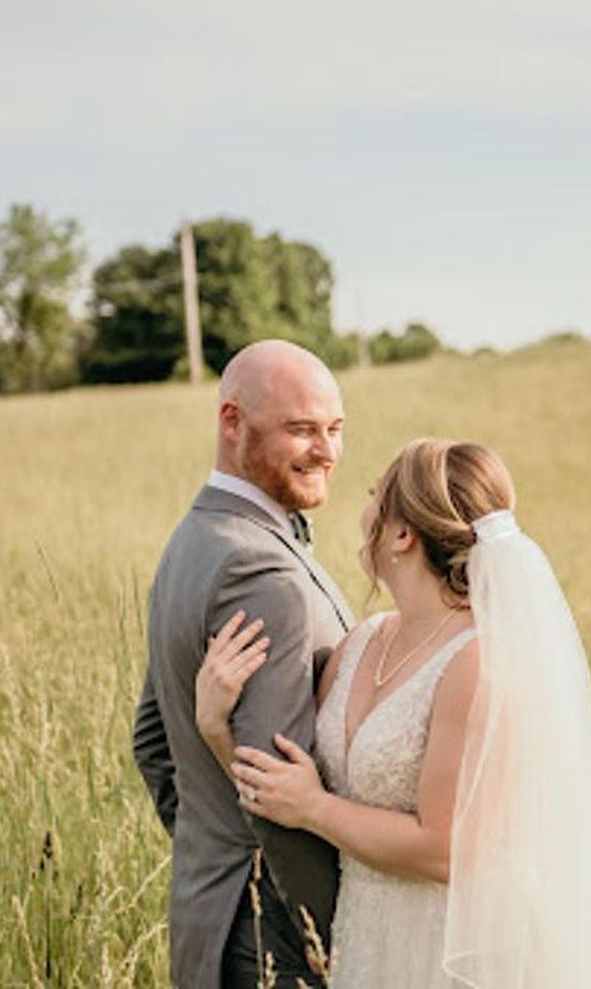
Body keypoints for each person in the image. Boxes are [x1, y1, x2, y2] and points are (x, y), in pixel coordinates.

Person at [196, 438, 591, 987]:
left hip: (447, 948)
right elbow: (283, 792)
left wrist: (316, 808)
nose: (363, 510)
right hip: (366, 939)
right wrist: (216, 725)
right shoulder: (362, 643)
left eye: (375, 495)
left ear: (402, 535)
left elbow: (445, 850)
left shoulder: (477, 664)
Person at [133, 340, 354, 989]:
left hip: (210, 920)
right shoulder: (258, 570)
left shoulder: (191, 540)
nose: (327, 451)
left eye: (335, 428)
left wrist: (212, 849)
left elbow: (152, 744)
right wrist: (332, 932)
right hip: (277, 937)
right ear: (232, 421)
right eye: (302, 429)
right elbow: (274, 781)